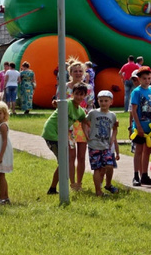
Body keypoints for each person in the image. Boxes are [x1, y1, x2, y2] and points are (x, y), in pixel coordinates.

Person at [42, 84, 87, 194]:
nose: (79, 97)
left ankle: (52, 189)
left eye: (81, 94)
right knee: (65, 162)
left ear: (85, 96)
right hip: (51, 134)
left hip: (60, 136)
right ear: (73, 94)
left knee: (64, 162)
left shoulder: (80, 111)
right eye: (76, 94)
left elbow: (85, 121)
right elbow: (58, 103)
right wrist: (55, 103)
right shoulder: (67, 103)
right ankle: (55, 188)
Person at [84, 90, 120, 195]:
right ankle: (98, 191)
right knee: (97, 168)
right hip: (94, 145)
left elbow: (115, 128)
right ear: (98, 101)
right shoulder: (93, 113)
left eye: (106, 101)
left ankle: (108, 185)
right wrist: (86, 135)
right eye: (101, 101)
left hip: (106, 146)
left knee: (109, 165)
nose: (103, 103)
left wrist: (113, 138)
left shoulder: (112, 115)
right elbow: (84, 122)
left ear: (111, 102)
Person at [129, 66, 151, 186]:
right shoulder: (136, 92)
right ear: (139, 79)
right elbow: (134, 110)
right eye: (144, 78)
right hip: (140, 126)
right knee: (139, 150)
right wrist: (138, 126)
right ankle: (136, 175)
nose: (147, 81)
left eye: (149, 78)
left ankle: (144, 175)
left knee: (147, 150)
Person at [66, 62, 93, 190]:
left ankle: (79, 183)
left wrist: (89, 125)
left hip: (83, 124)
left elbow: (90, 106)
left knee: (81, 156)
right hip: (69, 126)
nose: (78, 73)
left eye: (80, 71)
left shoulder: (89, 88)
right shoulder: (65, 87)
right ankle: (72, 183)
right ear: (70, 73)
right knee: (71, 155)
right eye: (75, 71)